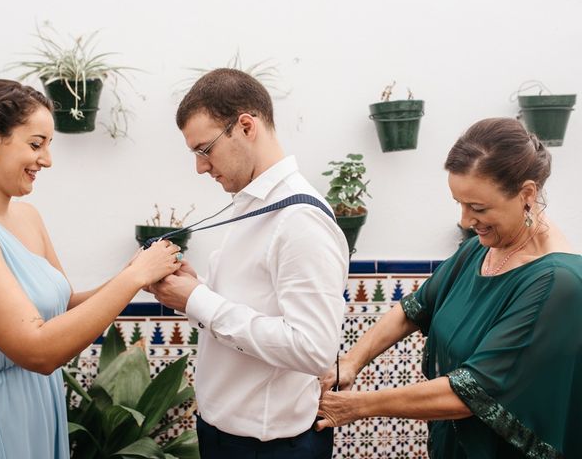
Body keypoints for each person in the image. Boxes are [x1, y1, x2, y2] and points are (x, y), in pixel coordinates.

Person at [0, 79, 182, 459]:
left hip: (39, 403)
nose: (48, 160)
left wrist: (137, 273)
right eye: (36, 144)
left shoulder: (28, 216)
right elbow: (38, 350)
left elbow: (65, 305)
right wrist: (131, 278)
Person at [317, 117, 582, 458]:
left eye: (478, 207)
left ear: (527, 194)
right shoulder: (479, 250)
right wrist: (352, 361)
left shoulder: (557, 283)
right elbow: (414, 307)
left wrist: (357, 406)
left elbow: (470, 392)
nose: (464, 220)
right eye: (459, 203)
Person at [149, 68, 349, 459]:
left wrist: (198, 301)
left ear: (245, 126)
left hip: (270, 448)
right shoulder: (254, 204)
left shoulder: (300, 219)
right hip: (225, 435)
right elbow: (255, 301)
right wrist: (196, 288)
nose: (200, 167)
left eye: (204, 150)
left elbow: (313, 349)